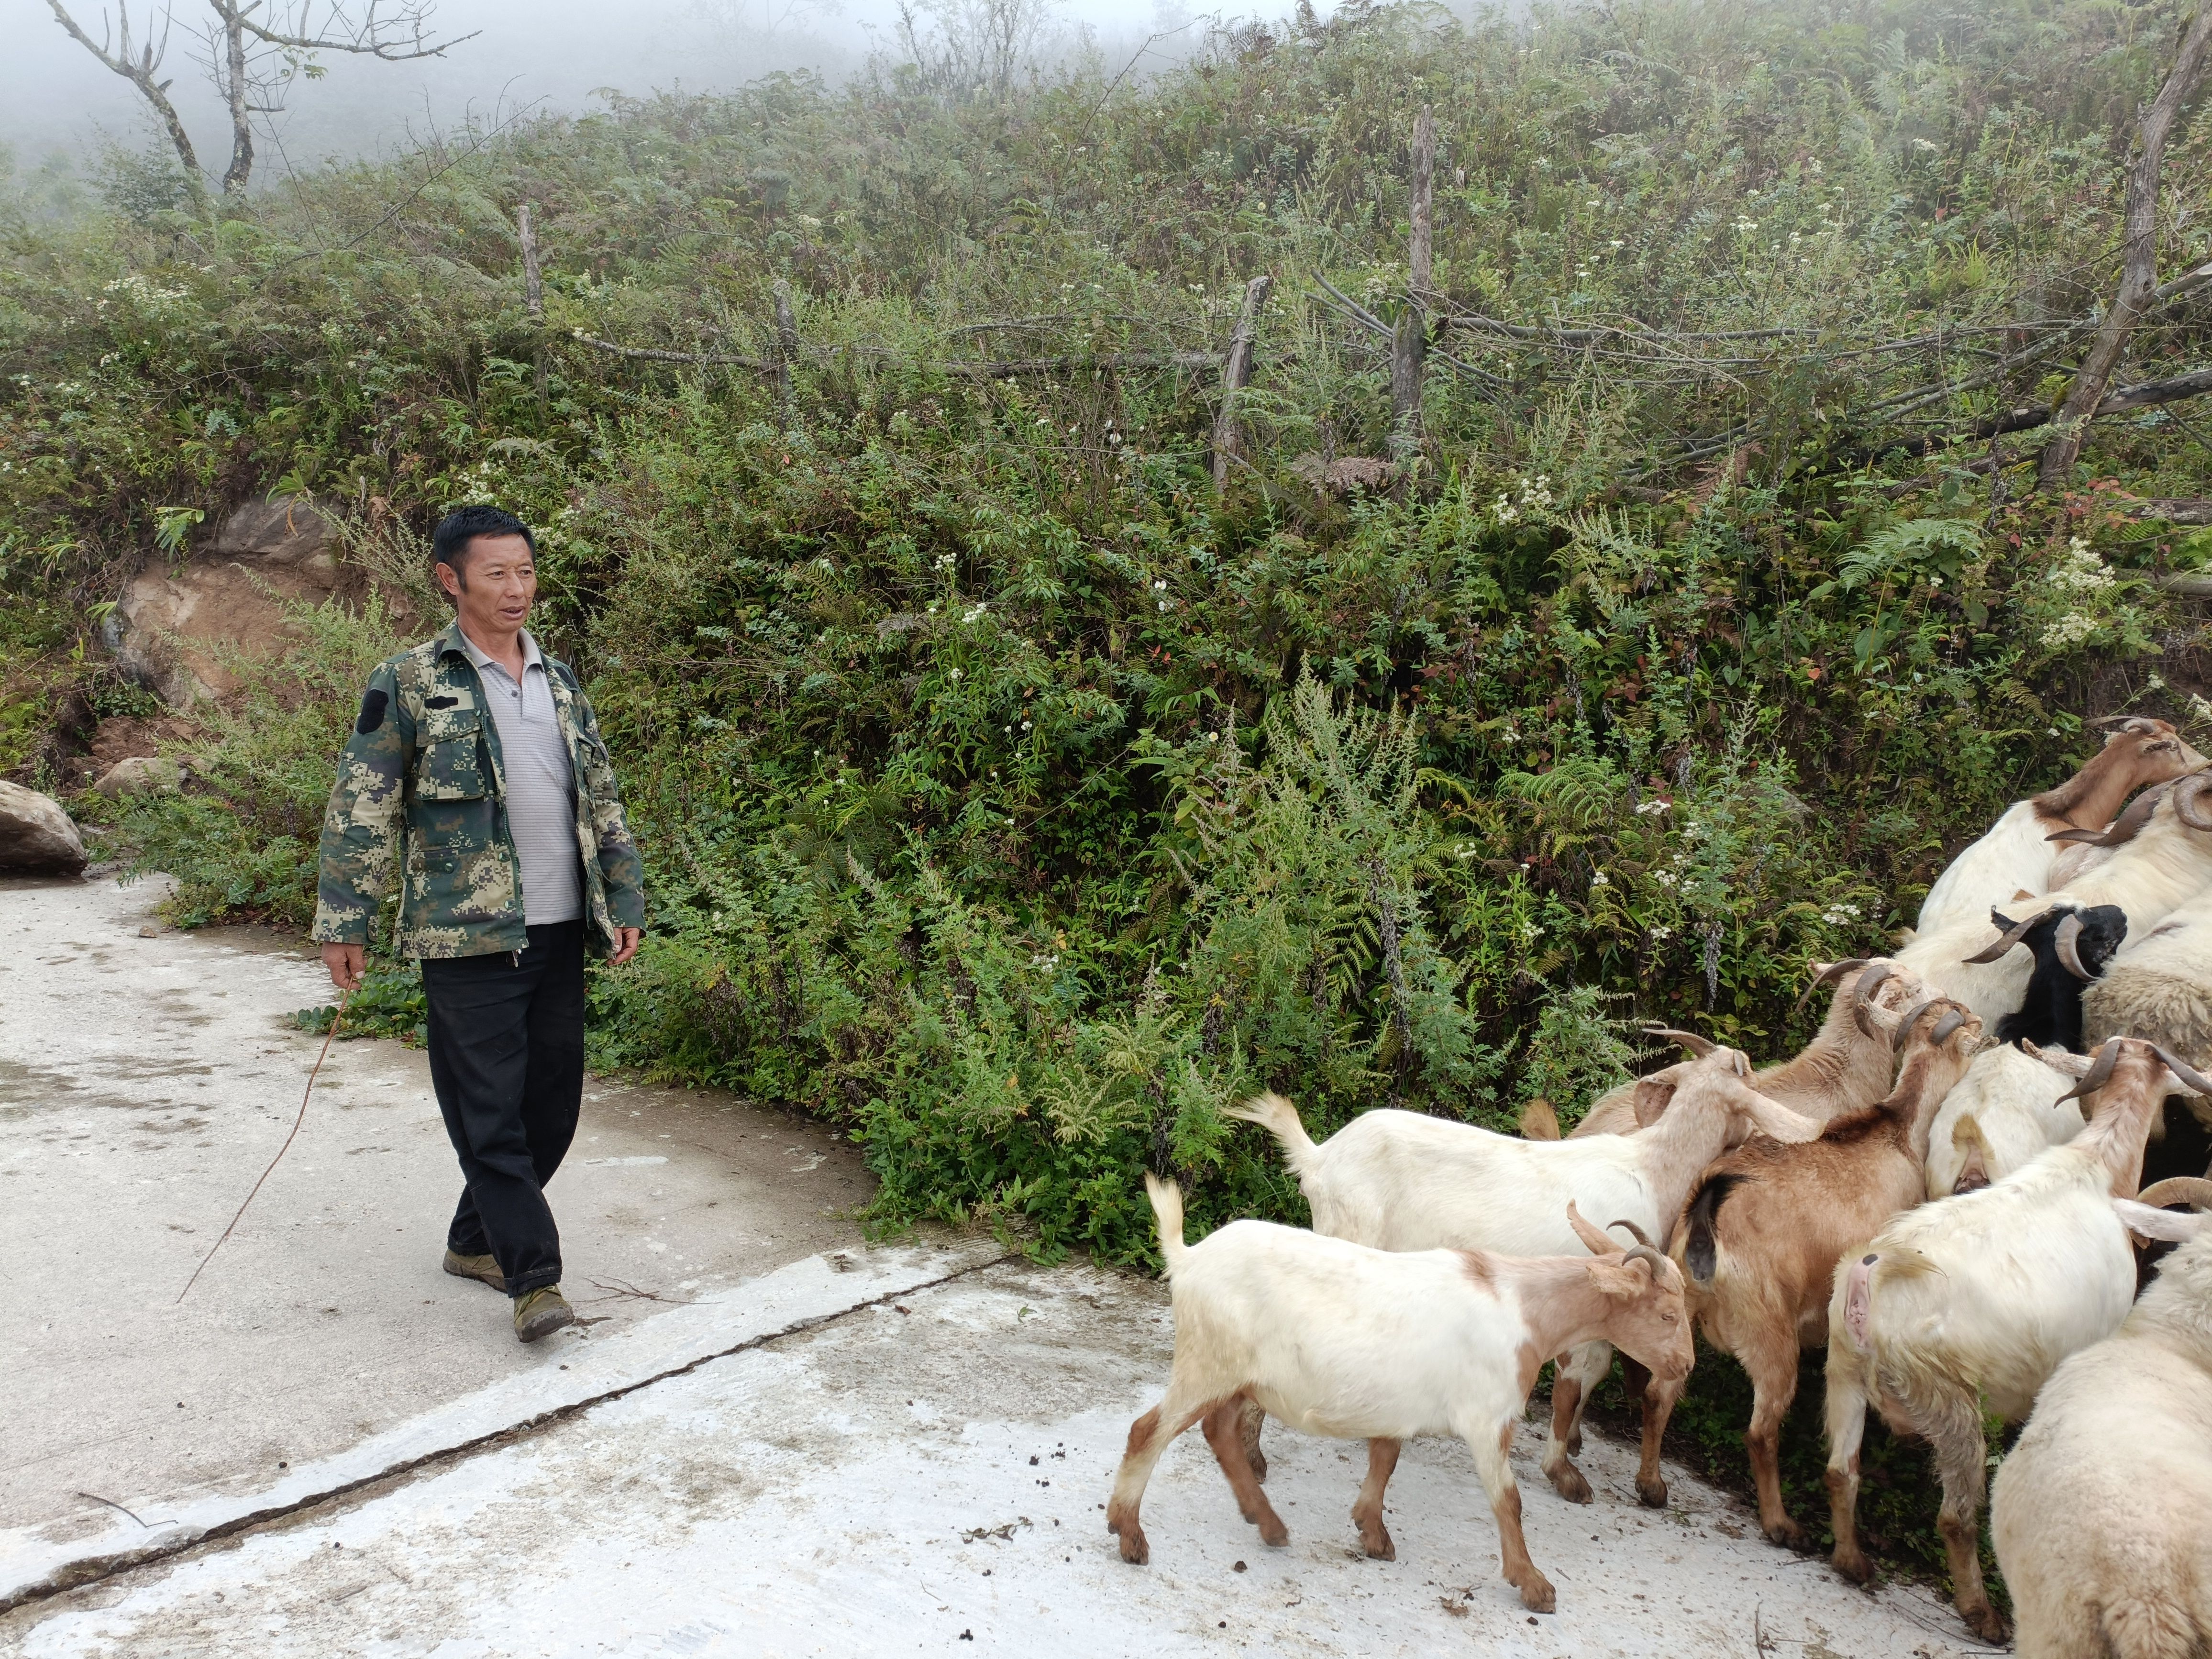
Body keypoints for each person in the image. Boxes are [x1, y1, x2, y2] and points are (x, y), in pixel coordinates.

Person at [312, 505, 644, 1343]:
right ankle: (534, 1279)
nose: (516, 589)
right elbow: (363, 807)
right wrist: (343, 919)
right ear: (449, 580)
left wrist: (623, 896)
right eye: (496, 573)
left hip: (561, 926)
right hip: (467, 933)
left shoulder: (561, 680)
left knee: (552, 1110)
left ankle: (472, 1239)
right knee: (489, 1113)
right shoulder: (411, 681)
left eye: (526, 571)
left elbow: (600, 798)